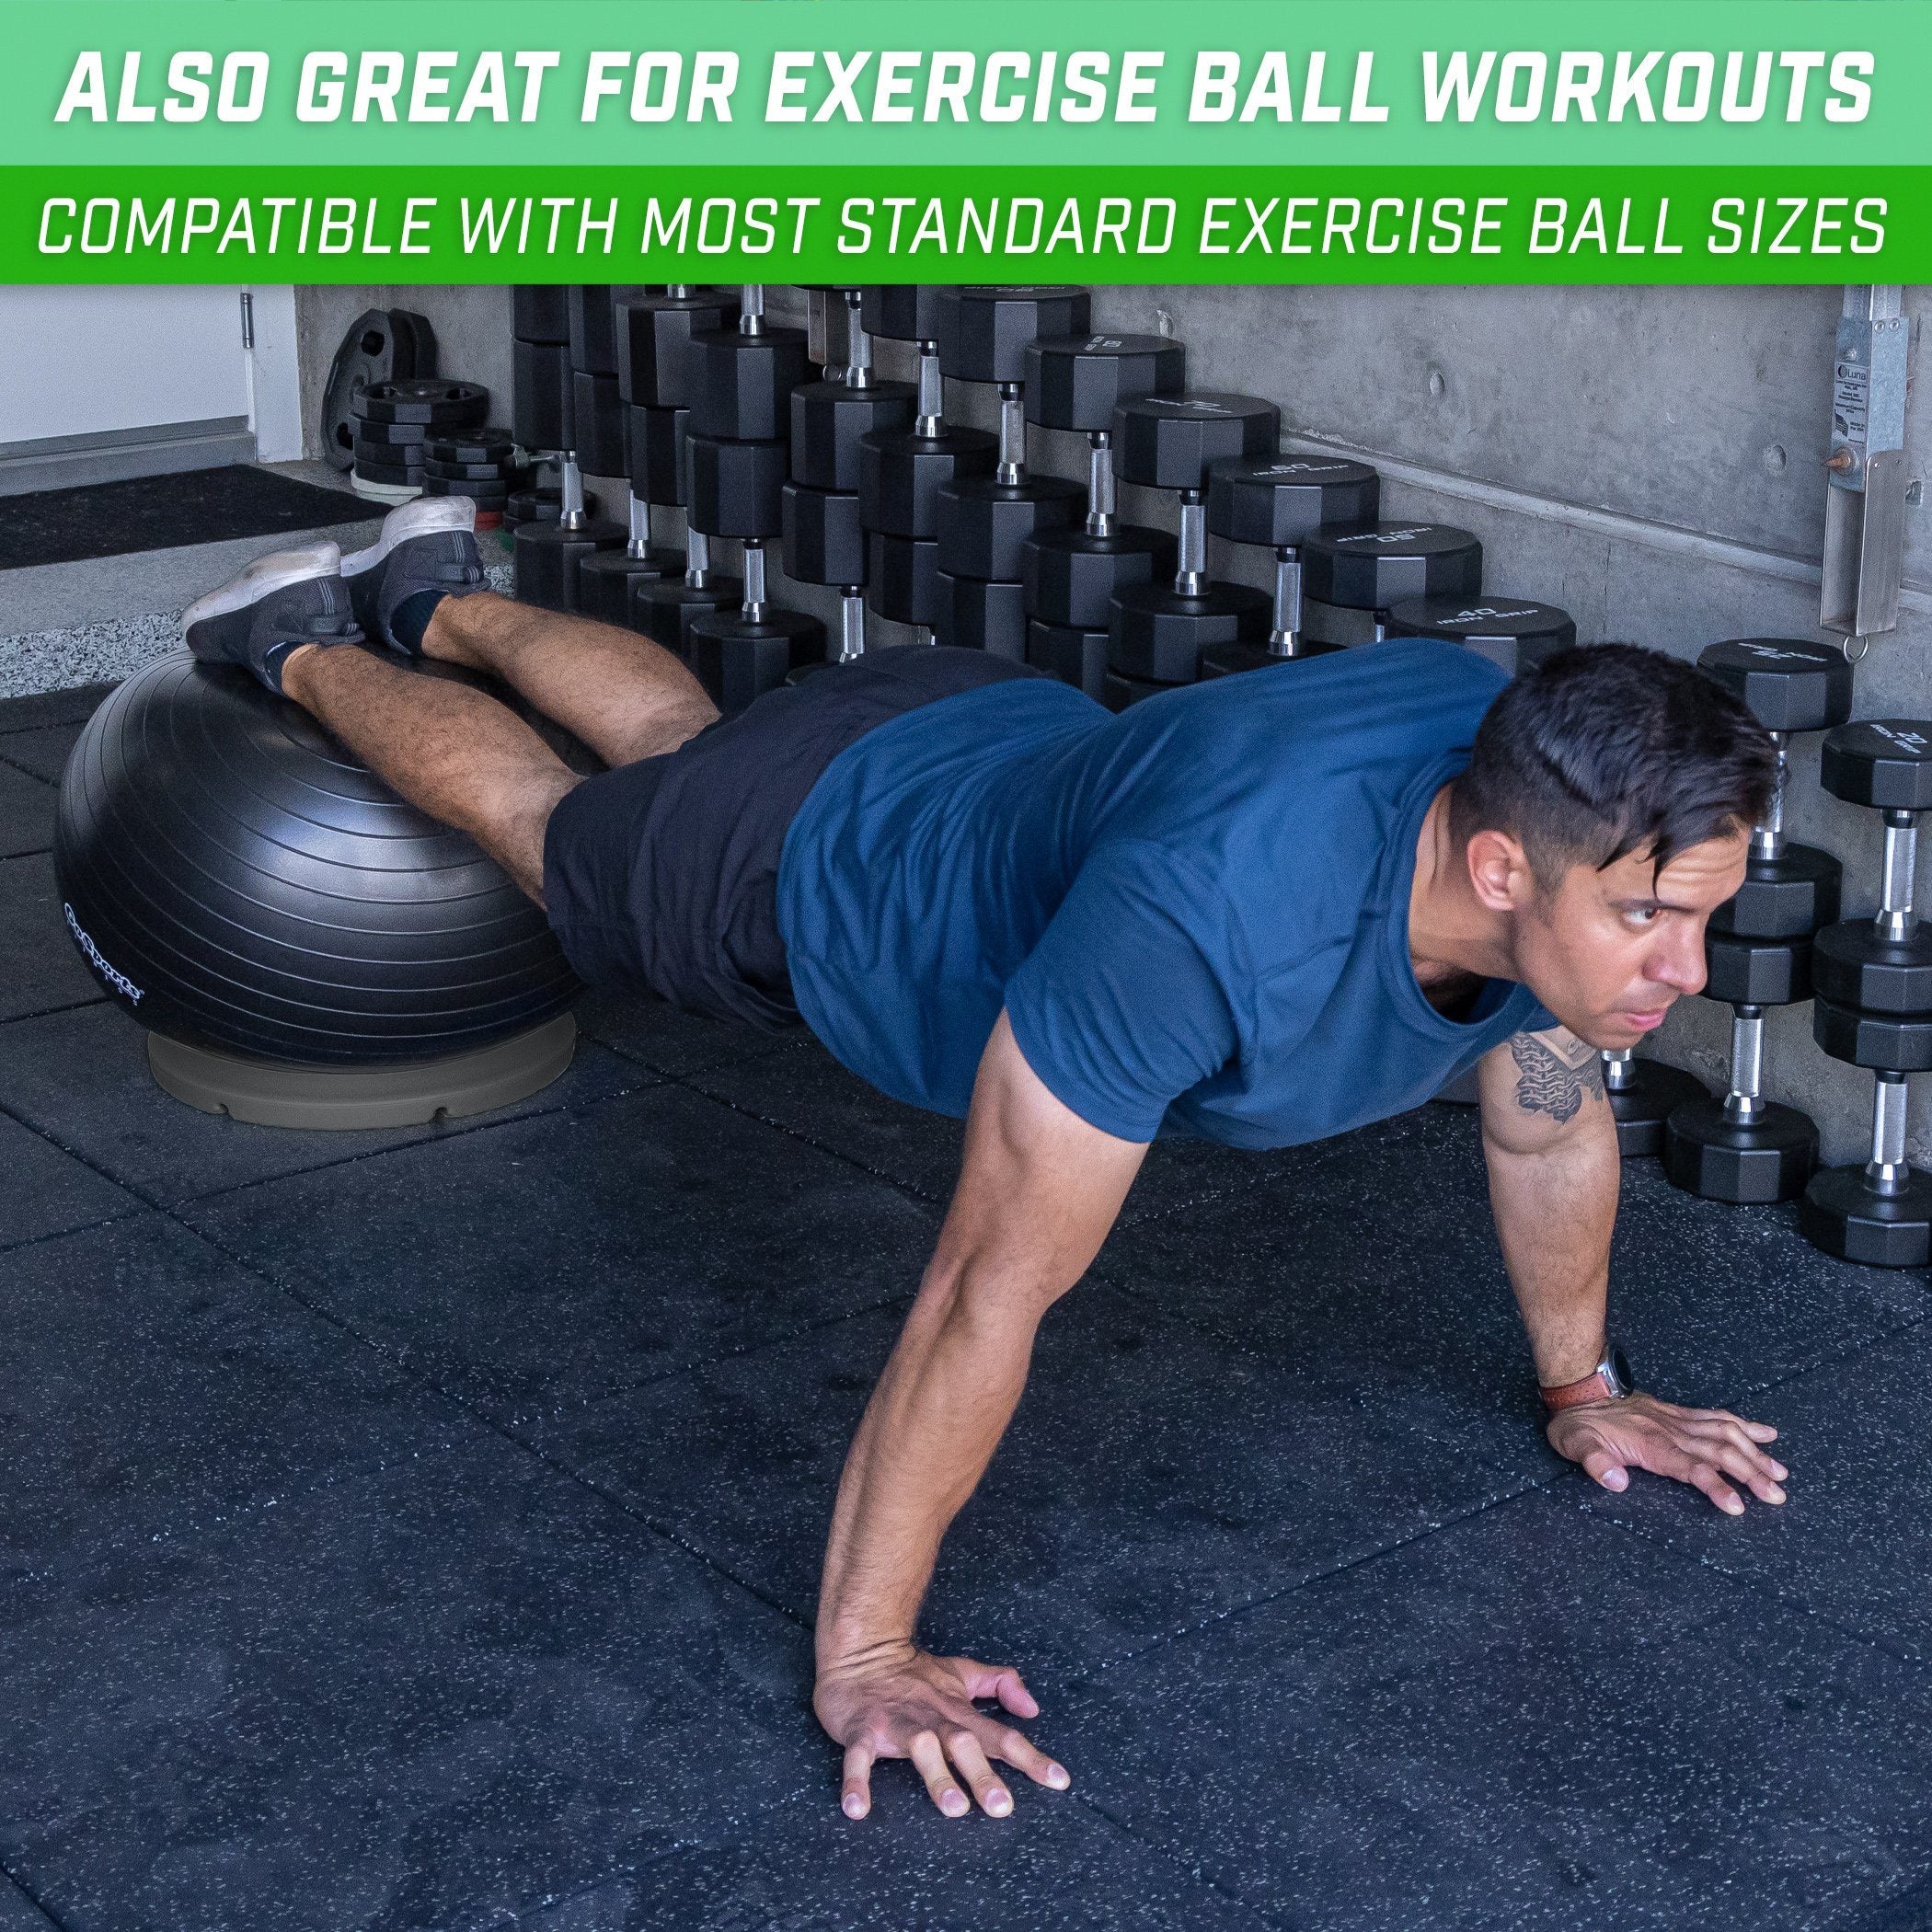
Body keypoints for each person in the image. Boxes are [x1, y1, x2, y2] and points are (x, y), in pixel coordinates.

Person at [186, 497, 1789, 1823]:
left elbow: (1546, 1095)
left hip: (978, 724)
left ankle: (434, 594)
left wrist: (1587, 1391)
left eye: (1702, 915)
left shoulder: (1518, 758)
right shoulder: (1200, 933)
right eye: (1651, 918)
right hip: (830, 882)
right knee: (562, 838)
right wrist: (867, 1648)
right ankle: (298, 639)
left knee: (689, 743)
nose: (1687, 970)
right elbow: (983, 1292)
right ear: (1502, 867)